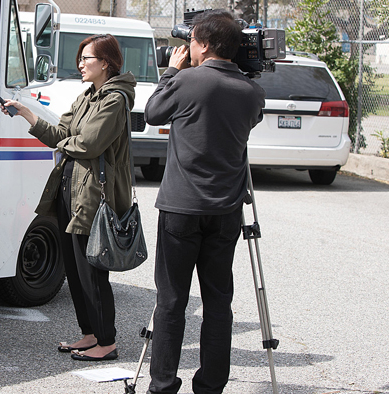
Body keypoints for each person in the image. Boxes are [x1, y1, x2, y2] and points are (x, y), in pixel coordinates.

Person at [144, 10, 266, 393]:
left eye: (192, 42)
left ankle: (162, 384)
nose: (188, 48)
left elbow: (153, 113)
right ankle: (211, 386)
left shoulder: (186, 80)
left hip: (182, 208)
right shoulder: (252, 91)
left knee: (171, 301)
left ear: (205, 44)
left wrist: (171, 72)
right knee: (218, 302)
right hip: (226, 211)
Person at [2, 34, 135, 361]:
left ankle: (107, 342)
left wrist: (67, 143)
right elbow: (64, 134)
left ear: (105, 62)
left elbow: (89, 145)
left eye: (86, 59)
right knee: (74, 271)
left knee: (92, 272)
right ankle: (90, 334)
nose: (80, 65)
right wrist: (26, 114)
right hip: (70, 190)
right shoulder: (86, 96)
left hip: (93, 196)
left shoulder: (115, 99)